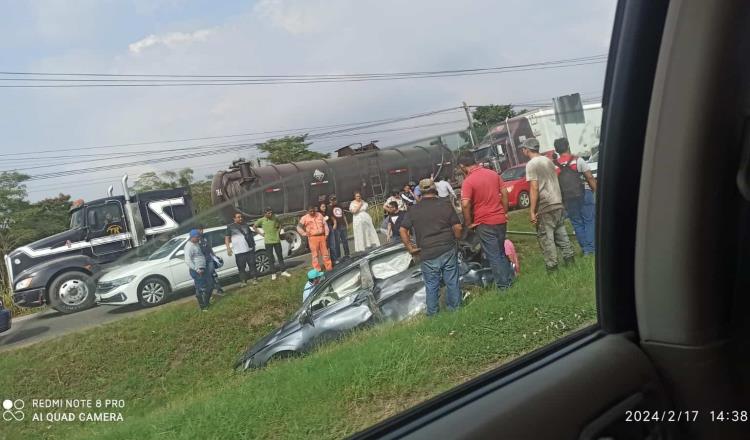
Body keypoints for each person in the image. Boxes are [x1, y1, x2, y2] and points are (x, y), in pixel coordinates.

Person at [400, 179, 463, 316]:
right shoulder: (445, 204)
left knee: (431, 285)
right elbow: (457, 227)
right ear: (435, 189)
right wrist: (456, 239)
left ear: (420, 192)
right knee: (451, 281)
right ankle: (456, 309)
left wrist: (410, 248)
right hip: (447, 247)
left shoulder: (413, 209)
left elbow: (403, 230)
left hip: (427, 252)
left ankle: (433, 314)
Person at [458, 151, 515, 290]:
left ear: (462, 166)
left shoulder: (468, 181)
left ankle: (503, 286)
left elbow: (465, 204)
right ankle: (510, 279)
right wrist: (504, 211)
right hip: (500, 219)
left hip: (484, 222)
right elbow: (505, 193)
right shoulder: (493, 174)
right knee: (501, 251)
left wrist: (469, 222)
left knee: (493, 255)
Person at [520, 138, 576, 271]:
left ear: (527, 149)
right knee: (561, 234)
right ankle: (570, 262)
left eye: (523, 148)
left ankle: (552, 268)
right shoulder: (548, 161)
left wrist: (532, 211)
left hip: (545, 206)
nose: (523, 150)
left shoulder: (531, 164)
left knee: (546, 239)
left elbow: (534, 187)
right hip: (557, 202)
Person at [553, 137, 598, 256]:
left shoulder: (555, 166)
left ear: (556, 150)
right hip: (584, 193)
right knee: (589, 220)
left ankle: (585, 248)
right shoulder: (578, 160)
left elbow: (556, 184)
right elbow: (589, 177)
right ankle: (590, 248)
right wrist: (596, 192)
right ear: (568, 146)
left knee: (577, 222)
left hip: (567, 198)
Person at [254, 208, 292, 281]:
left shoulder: (275, 218)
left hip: (277, 240)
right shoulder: (261, 220)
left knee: (280, 256)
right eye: (268, 213)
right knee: (270, 258)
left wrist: (278, 231)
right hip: (268, 242)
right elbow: (254, 227)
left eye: (271, 213)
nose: (270, 214)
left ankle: (283, 271)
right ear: (265, 213)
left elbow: (280, 224)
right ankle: (273, 273)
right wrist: (261, 234)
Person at [225, 212, 258, 287]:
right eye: (238, 217)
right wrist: (228, 248)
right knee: (241, 267)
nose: (240, 218)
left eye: (241, 217)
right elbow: (227, 238)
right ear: (234, 218)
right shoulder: (230, 227)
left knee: (252, 265)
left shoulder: (245, 225)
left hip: (249, 250)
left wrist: (253, 246)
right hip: (239, 252)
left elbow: (250, 236)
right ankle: (243, 281)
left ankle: (254, 279)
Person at [297, 205, 333, 271]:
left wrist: (327, 234)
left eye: (313, 211)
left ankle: (329, 268)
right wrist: (304, 233)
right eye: (310, 211)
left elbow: (325, 224)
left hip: (322, 237)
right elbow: (298, 227)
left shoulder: (319, 215)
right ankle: (317, 269)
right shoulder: (304, 218)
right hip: (312, 238)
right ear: (308, 212)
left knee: (325, 254)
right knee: (315, 255)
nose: (312, 212)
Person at [184, 229, 210, 311]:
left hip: (203, 268)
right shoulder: (189, 246)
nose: (198, 238)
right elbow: (187, 260)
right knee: (201, 288)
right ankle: (203, 307)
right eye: (197, 237)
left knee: (207, 286)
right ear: (192, 237)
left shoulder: (196, 244)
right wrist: (197, 269)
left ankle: (206, 303)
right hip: (197, 270)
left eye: (199, 237)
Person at [198, 225, 223, 297]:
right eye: (199, 230)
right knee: (206, 277)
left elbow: (209, 248)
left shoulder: (205, 238)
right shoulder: (195, 240)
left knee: (213, 273)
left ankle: (219, 289)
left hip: (209, 259)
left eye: (202, 230)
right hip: (202, 262)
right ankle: (209, 293)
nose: (201, 231)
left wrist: (214, 256)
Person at [328, 195, 350, 263]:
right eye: (332, 200)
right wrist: (334, 223)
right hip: (336, 227)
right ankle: (338, 256)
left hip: (342, 225)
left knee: (345, 241)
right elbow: (330, 216)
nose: (334, 201)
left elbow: (343, 215)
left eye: (335, 200)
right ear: (330, 201)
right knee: (337, 242)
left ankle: (347, 254)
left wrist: (346, 224)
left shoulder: (339, 206)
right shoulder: (329, 207)